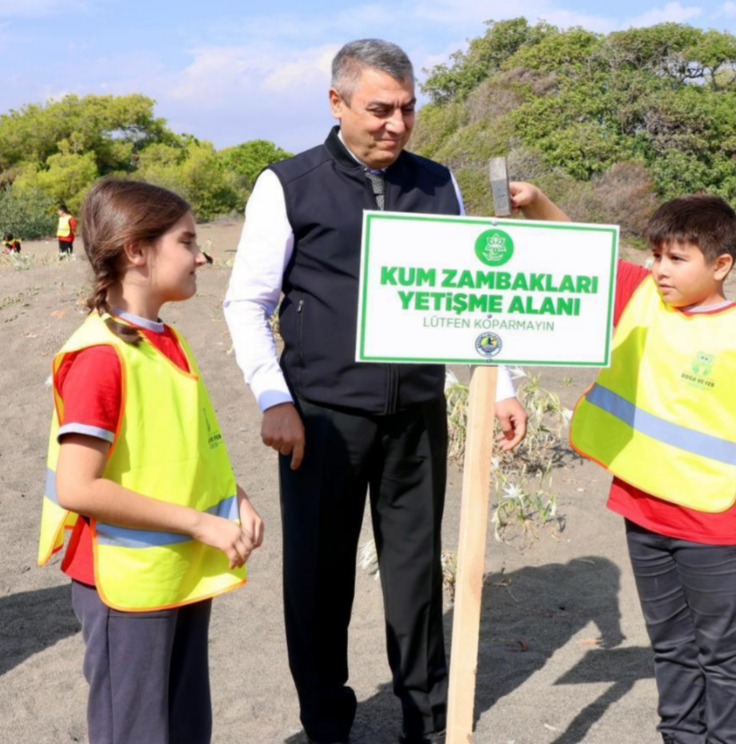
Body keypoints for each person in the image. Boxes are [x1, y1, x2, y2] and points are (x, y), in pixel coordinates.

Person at [220, 38, 526, 744]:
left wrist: (499, 384)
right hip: (320, 419)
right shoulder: (287, 184)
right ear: (337, 103)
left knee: (417, 575)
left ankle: (424, 719)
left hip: (417, 414)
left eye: (408, 109)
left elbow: (467, 297)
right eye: (380, 109)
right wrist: (275, 398)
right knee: (320, 580)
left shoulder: (437, 182)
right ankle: (327, 722)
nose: (396, 124)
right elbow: (247, 303)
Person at [520, 186, 736, 744]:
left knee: (722, 650)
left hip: (718, 522)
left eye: (677, 258)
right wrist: (536, 201)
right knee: (671, 644)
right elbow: (585, 251)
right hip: (645, 510)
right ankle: (680, 736)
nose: (660, 269)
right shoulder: (642, 295)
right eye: (655, 255)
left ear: (721, 264)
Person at [40, 178, 265, 744]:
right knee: (136, 731)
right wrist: (200, 522)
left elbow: (186, 442)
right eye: (187, 242)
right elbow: (78, 488)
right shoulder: (99, 356)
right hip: (124, 581)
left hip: (178, 569)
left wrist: (236, 498)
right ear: (135, 251)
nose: (201, 256)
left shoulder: (166, 338)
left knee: (185, 724)